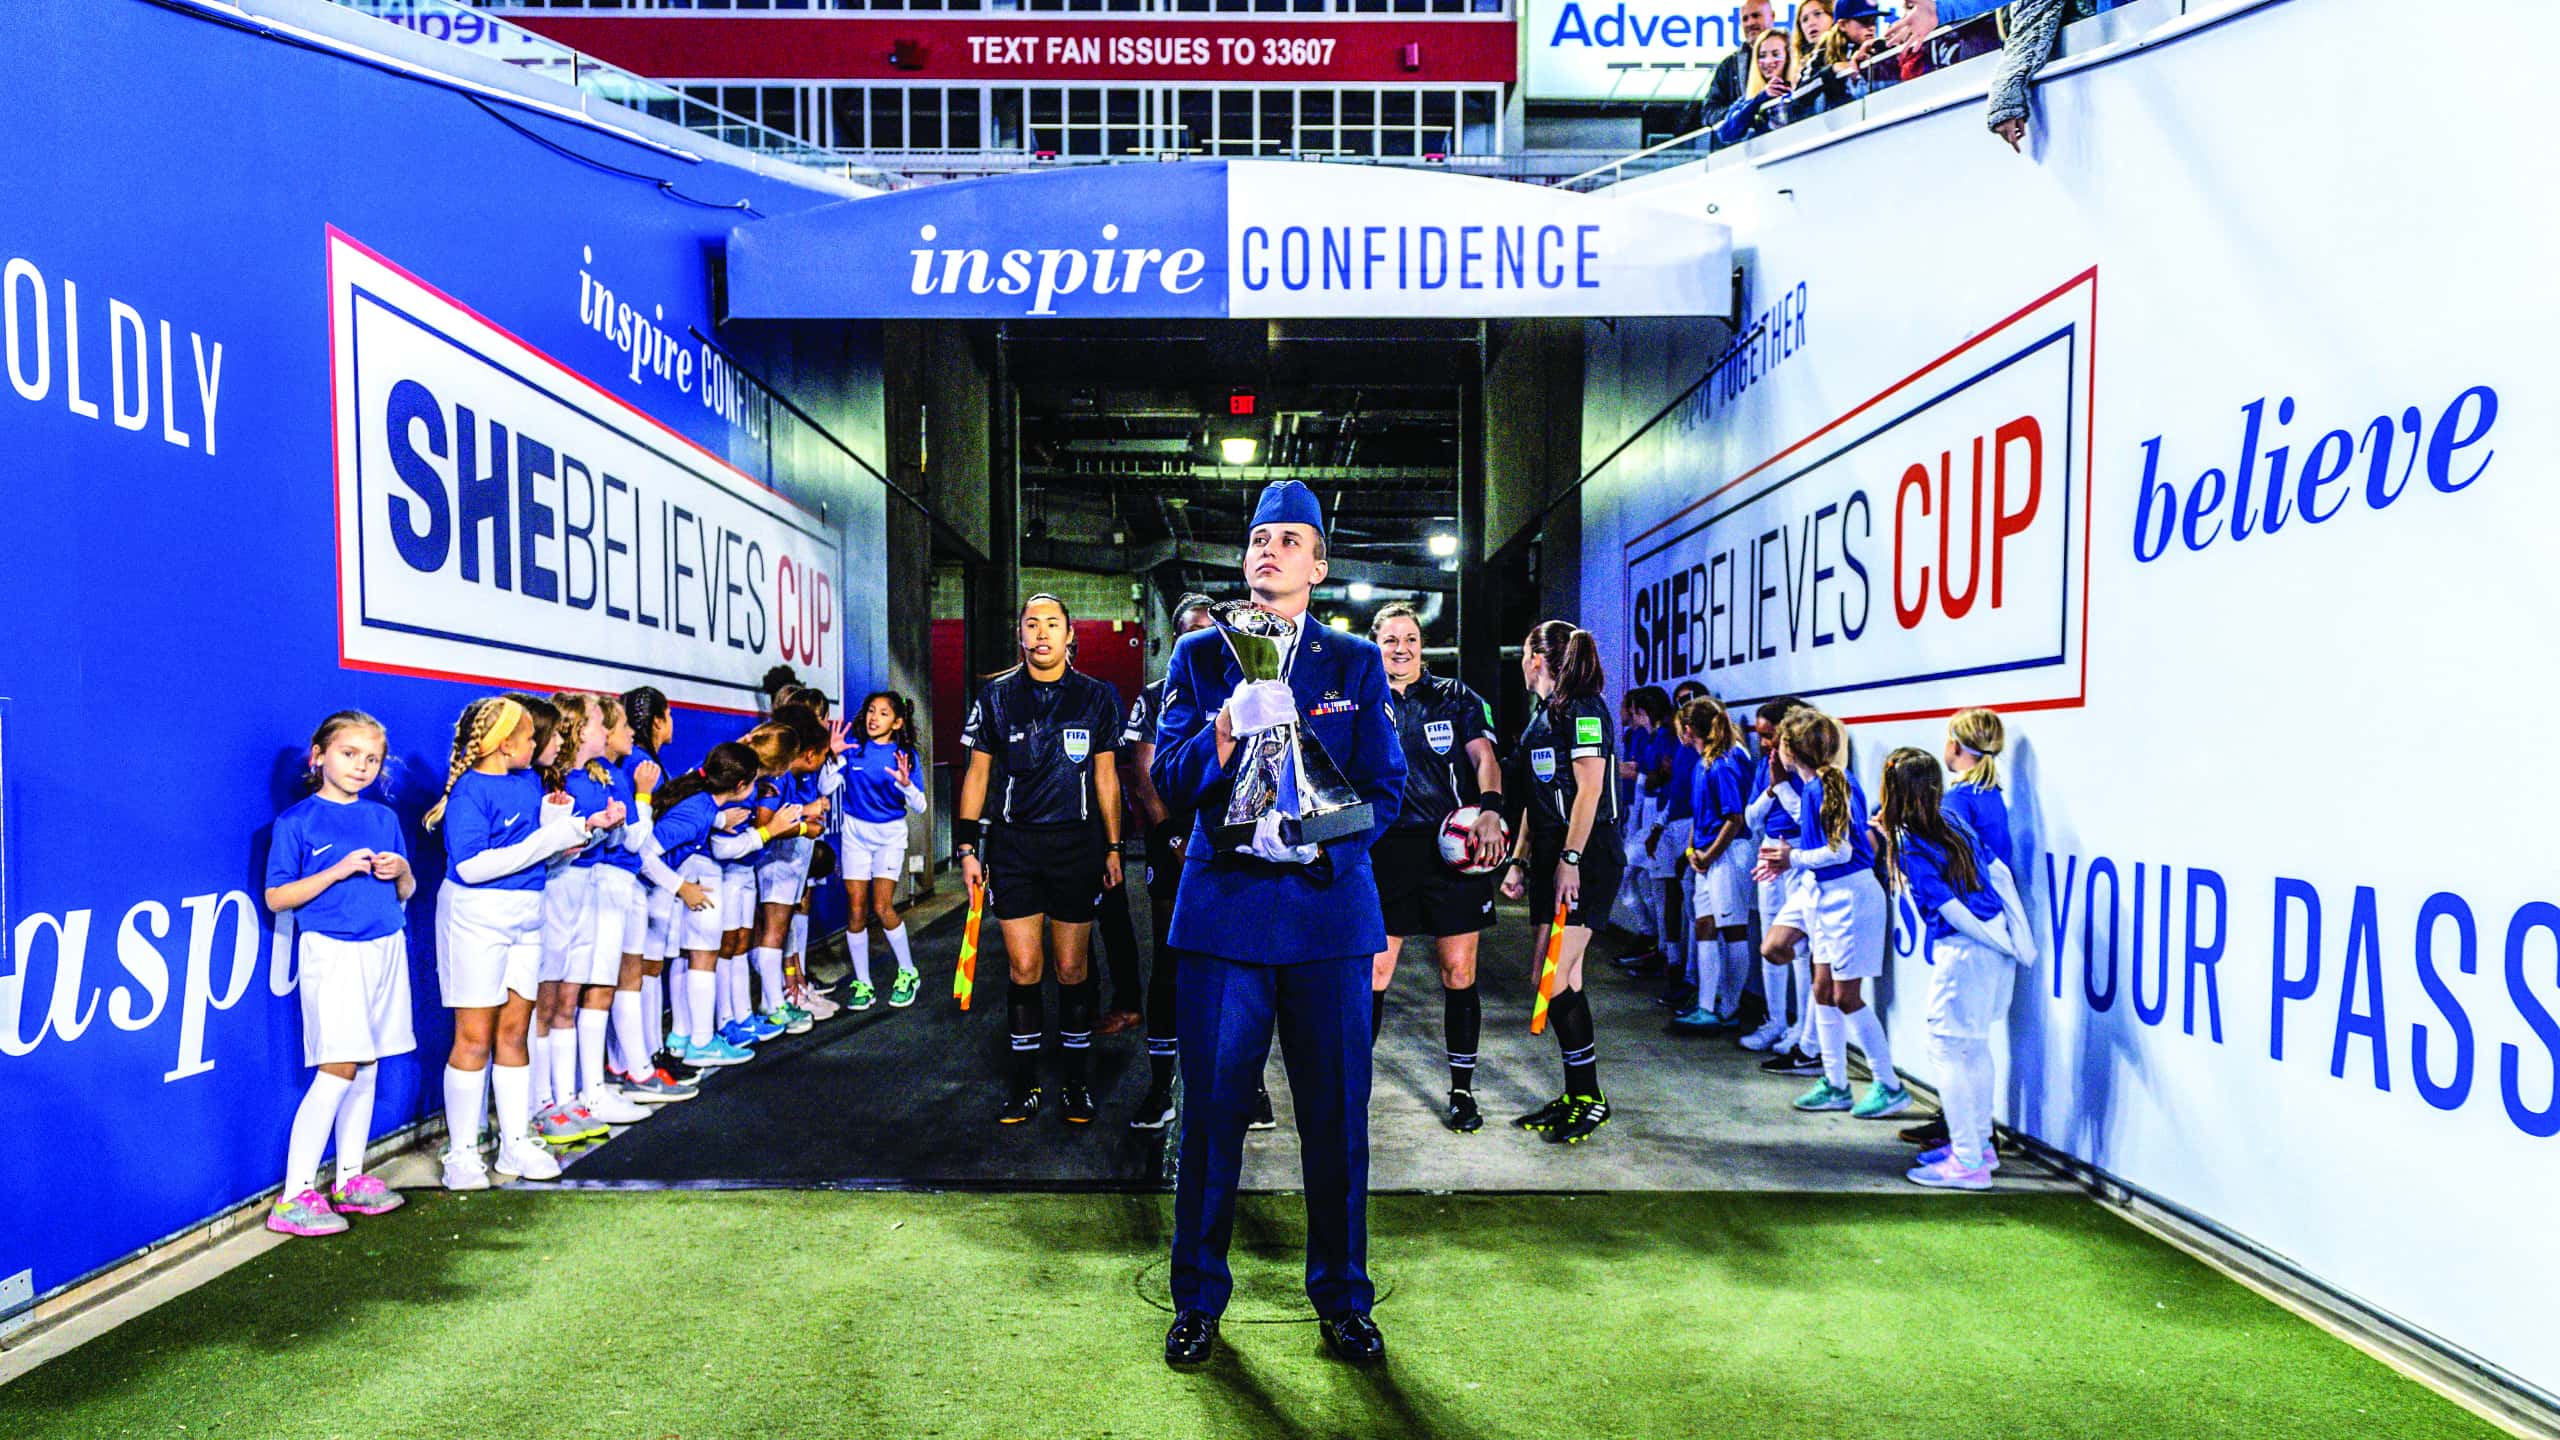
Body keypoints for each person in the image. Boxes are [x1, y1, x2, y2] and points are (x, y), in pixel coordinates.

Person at [1152, 480, 1404, 1368]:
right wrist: (1223, 728)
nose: (1271, 551)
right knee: (1212, 1119)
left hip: (1328, 919)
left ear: (1319, 565)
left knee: (1337, 1120)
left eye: (1292, 540)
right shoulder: (1198, 656)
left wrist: (1318, 838)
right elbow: (1169, 780)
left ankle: (1342, 1300)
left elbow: (1385, 790)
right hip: (1224, 915)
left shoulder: (1353, 664)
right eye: (1261, 537)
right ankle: (1197, 1303)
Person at [955, 593, 1127, 1126]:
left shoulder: (1097, 697)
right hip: (1014, 849)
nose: (1043, 632)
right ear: (1022, 636)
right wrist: (966, 847)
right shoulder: (998, 698)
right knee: (1024, 967)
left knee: (1072, 967)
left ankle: (1077, 1082)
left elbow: (1105, 775)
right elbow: (978, 774)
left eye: (1053, 623)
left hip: (1076, 849)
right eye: (1033, 623)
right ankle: (1024, 1083)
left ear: (1070, 634)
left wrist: (1114, 845)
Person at [426, 696, 601, 1189]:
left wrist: (567, 839)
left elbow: (535, 860)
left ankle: (515, 1142)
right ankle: (462, 1153)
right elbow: (470, 867)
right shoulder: (468, 793)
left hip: (528, 918)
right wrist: (548, 839)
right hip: (476, 921)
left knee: (514, 1034)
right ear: (505, 745)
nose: (536, 744)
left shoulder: (527, 784)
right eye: (528, 737)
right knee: (474, 1037)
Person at [262, 710, 417, 1236]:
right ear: (319, 755)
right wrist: (337, 869)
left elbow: (406, 892)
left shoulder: (383, 820)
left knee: (367, 1065)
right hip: (333, 953)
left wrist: (403, 872)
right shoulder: (296, 823)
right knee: (338, 1068)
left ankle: (350, 1179)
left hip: (385, 947)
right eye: (350, 754)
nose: (361, 766)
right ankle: (295, 1196)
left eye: (372, 759)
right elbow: (278, 895)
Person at [1365, 601, 1506, 1133]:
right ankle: (1352, 1085)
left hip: (1451, 853)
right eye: (1390, 640)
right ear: (1375, 645)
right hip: (1386, 852)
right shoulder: (1363, 698)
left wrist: (1491, 809)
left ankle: (1463, 1090)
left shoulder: (1458, 697)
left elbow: (1483, 759)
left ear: (1422, 645)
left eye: (1411, 639)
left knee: (1459, 973)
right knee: (1376, 972)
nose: (1401, 649)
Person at [1875, 747, 2035, 1189]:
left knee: (1948, 1050)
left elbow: (1949, 904)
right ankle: (1979, 1146)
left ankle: (1969, 1161)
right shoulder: (1951, 819)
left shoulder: (1910, 837)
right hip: (1991, 948)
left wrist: (2000, 939)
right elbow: (1999, 872)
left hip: (1967, 952)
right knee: (1973, 1049)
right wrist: (2014, 939)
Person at [1497, 621, 1623, 1146]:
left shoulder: (1585, 709)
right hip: (1552, 858)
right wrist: (1521, 860)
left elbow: (1590, 791)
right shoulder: (1541, 719)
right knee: (1554, 981)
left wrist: (1570, 859)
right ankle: (1579, 1095)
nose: (1522, 663)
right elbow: (1532, 798)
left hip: (1586, 859)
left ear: (1537, 659)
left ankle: (1590, 1097)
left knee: (1552, 981)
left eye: (1525, 653)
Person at [1757, 709, 1910, 1120]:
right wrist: (1791, 861)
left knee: (1846, 996)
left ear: (1791, 749)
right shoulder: (1814, 787)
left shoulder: (1826, 787)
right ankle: (1835, 1084)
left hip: (1851, 900)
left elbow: (1840, 852)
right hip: (1829, 897)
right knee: (1823, 991)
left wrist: (1792, 858)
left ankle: (1889, 1085)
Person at [1122, 594, 1228, 1131]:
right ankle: (1161, 1086)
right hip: (1175, 843)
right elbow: (1142, 773)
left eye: (1211, 631)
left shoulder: (1244, 690)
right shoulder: (1156, 696)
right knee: (1170, 959)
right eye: (1191, 632)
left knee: (1238, 963)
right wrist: (1167, 833)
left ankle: (1244, 1085)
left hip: (1233, 841)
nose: (1201, 641)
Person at [644, 743, 782, 1070]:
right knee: (702, 956)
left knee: (690, 955)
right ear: (740, 786)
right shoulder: (697, 812)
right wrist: (682, 888)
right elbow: (644, 854)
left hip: (668, 890)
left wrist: (718, 819)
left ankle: (682, 1037)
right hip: (660, 893)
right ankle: (702, 1042)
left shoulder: (704, 806)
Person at [831, 691, 929, 1010]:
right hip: (855, 833)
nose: (874, 718)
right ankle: (864, 983)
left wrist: (905, 783)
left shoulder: (906, 755)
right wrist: (833, 759)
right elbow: (824, 789)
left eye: (884, 713)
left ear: (897, 722)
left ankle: (908, 971)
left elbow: (920, 804)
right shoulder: (853, 748)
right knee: (856, 910)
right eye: (871, 711)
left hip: (889, 836)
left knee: (883, 906)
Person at [1747, 697, 1821, 1073]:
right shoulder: (1767, 766)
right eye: (1760, 736)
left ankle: (1800, 1030)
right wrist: (1772, 788)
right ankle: (1776, 1020)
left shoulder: (1812, 774)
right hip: (1769, 852)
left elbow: (1810, 823)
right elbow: (1751, 816)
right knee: (1770, 942)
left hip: (1797, 858)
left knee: (1801, 946)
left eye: (1769, 736)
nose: (1764, 744)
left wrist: (1782, 787)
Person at [1671, 696, 1753, 1035]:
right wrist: (1693, 850)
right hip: (1707, 856)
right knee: (1704, 926)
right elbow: (1701, 816)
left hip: (1729, 855)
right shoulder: (1702, 764)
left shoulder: (1725, 763)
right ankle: (1706, 1005)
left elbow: (1734, 819)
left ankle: (1730, 1007)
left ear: (1689, 730)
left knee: (1733, 929)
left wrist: (1710, 855)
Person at [1696, 0, 1777, 127]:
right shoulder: (1728, 66)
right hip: (1745, 143)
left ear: (1772, 17)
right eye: (1745, 19)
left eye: (1756, 16)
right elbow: (1709, 113)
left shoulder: (1794, 55)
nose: (1750, 23)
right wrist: (1739, 113)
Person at [1711, 29, 1798, 148]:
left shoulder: (1800, 88)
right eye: (1762, 56)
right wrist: (1761, 99)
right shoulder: (1748, 99)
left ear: (1788, 57)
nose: (1768, 61)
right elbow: (1726, 133)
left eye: (1775, 54)